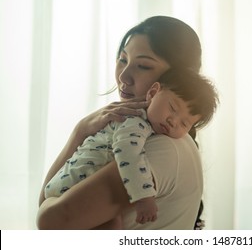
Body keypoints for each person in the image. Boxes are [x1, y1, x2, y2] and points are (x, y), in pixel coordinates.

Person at [37, 16, 212, 230]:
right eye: (122, 59)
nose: (124, 77)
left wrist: (80, 133)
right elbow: (50, 201)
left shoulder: (160, 146)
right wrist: (81, 130)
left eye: (143, 66)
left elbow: (51, 220)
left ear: (178, 78)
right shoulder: (139, 132)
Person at [43, 68, 218, 227]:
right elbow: (128, 154)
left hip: (64, 187)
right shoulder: (135, 122)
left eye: (184, 123)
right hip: (71, 183)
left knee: (112, 224)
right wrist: (143, 196)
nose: (173, 121)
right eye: (172, 108)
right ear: (153, 92)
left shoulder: (165, 144)